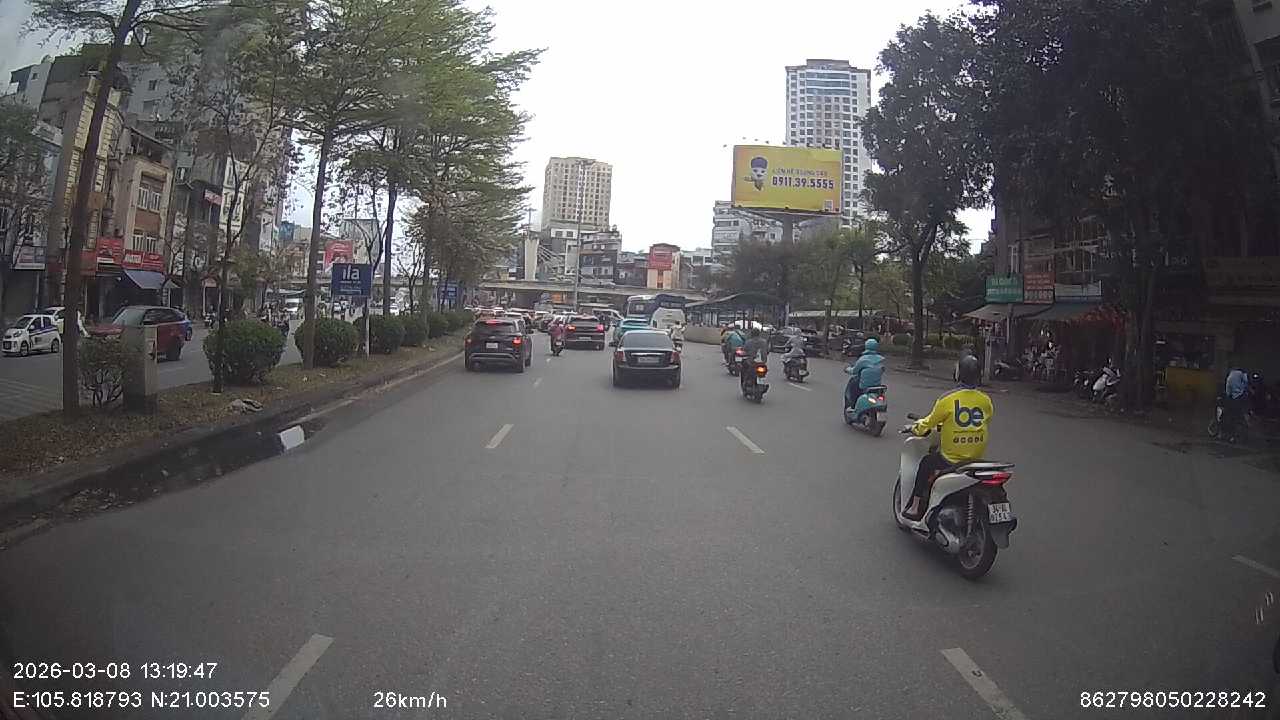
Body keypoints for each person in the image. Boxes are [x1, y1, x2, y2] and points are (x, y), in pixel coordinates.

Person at [903, 355, 993, 521]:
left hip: (952, 459)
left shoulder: (948, 399)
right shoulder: (985, 400)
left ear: (959, 374)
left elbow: (928, 423)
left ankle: (915, 507)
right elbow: (985, 420)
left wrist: (915, 428)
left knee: (926, 463)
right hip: (976, 459)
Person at [845, 337, 885, 410]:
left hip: (864, 386)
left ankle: (853, 406)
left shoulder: (863, 359)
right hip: (877, 386)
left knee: (853, 387)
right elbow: (882, 369)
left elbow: (854, 371)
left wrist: (847, 369)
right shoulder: (881, 360)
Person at [1225, 365, 1249, 436]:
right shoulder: (1240, 373)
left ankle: (1233, 433)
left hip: (1235, 398)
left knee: (1233, 414)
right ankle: (1246, 421)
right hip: (1243, 395)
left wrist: (1228, 395)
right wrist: (1244, 388)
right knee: (1243, 410)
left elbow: (1228, 389)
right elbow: (1246, 381)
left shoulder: (1229, 377)